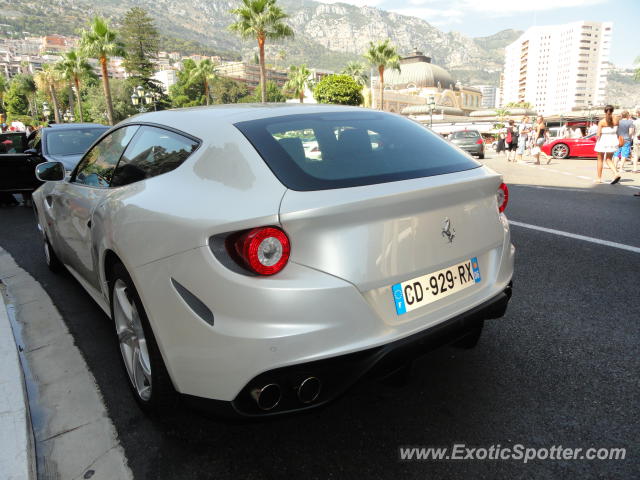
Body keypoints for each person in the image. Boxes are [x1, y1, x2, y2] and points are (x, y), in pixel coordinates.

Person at [594, 105, 622, 184]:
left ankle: (599, 178)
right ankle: (616, 173)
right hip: (613, 141)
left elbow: (598, 135)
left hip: (603, 141)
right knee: (609, 159)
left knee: (600, 160)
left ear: (604, 111)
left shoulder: (602, 121)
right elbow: (618, 131)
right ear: (612, 111)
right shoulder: (616, 120)